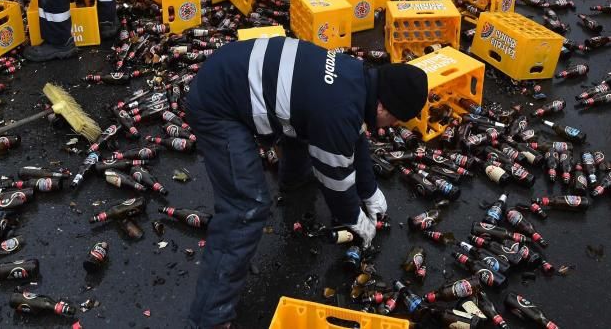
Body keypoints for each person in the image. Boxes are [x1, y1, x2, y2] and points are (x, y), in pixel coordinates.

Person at [184, 39, 429, 329]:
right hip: (218, 104)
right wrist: (353, 217)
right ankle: (209, 318)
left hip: (234, 67)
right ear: (382, 106)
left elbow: (355, 135)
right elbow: (335, 177)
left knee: (303, 120)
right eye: (395, 119)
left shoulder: (357, 77)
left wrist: (369, 190)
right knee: (245, 208)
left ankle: (295, 181)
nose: (392, 127)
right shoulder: (337, 111)